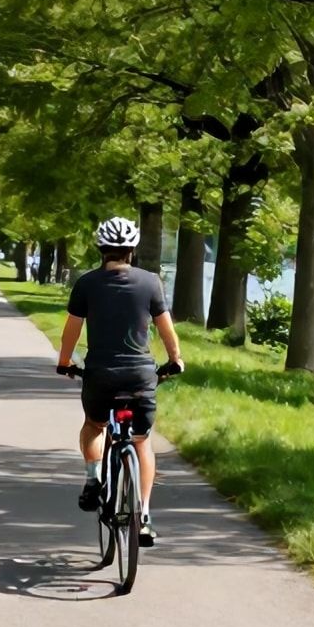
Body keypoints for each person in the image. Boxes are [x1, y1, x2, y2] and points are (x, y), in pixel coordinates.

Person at [57, 216, 184, 547]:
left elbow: (72, 329)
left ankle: (92, 479)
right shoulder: (151, 283)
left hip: (100, 374)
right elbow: (166, 328)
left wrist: (64, 362)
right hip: (141, 375)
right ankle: (143, 516)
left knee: (95, 426)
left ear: (101, 248)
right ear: (132, 250)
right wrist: (176, 360)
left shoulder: (86, 283)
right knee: (142, 441)